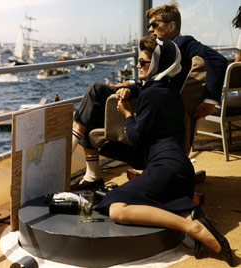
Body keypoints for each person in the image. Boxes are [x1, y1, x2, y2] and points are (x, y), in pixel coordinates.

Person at [95, 35, 233, 267]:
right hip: (179, 170)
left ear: (159, 64)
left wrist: (128, 115)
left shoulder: (152, 94)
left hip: (165, 168)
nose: (138, 65)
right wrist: (132, 91)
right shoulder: (168, 90)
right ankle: (187, 216)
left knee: (117, 209)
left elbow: (138, 138)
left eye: (143, 62)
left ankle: (192, 226)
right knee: (135, 200)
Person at [72, 1, 227, 190]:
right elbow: (154, 79)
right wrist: (131, 86)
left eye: (155, 24)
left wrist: (210, 100)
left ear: (172, 26)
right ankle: (91, 174)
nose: (150, 29)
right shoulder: (160, 48)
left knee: (96, 92)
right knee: (95, 102)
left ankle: (76, 163)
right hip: (148, 96)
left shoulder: (183, 43)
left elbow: (217, 59)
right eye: (149, 25)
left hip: (156, 107)